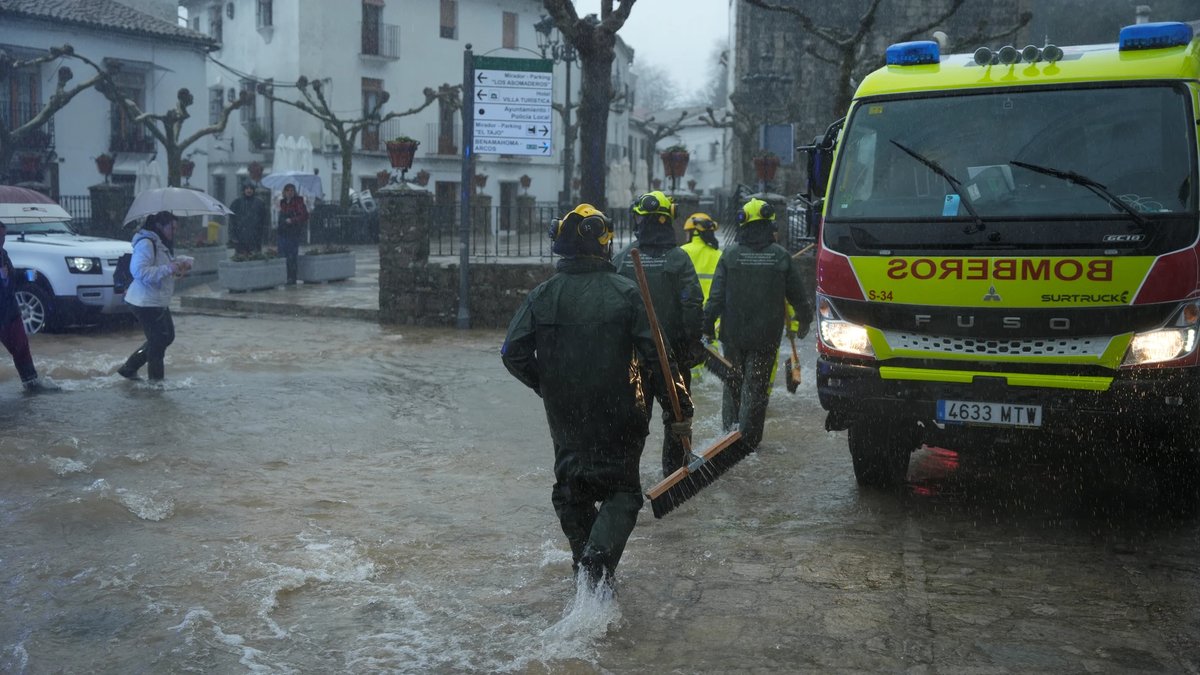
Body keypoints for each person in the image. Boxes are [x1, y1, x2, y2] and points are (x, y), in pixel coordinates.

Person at [502, 203, 693, 593]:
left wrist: (548, 386)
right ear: (604, 246)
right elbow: (658, 356)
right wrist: (680, 408)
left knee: (572, 490)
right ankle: (596, 563)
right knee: (622, 491)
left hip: (566, 418)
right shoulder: (626, 293)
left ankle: (586, 570)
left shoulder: (543, 295)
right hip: (621, 414)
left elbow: (512, 353)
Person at [703, 198, 813, 449]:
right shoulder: (781, 257)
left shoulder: (729, 255)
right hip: (766, 337)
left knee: (733, 382)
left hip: (733, 335)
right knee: (757, 389)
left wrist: (707, 325)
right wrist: (804, 321)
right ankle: (749, 444)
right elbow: (800, 299)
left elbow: (716, 298)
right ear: (769, 225)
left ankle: (728, 439)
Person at [613, 191, 704, 477]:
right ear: (669, 219)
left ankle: (626, 480)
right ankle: (673, 476)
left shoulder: (623, 259)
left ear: (639, 220)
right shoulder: (679, 259)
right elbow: (692, 304)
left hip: (631, 360)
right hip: (671, 358)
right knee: (677, 417)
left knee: (632, 420)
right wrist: (691, 344)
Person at [118, 211, 191, 382]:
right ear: (159, 226)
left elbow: (161, 267)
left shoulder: (159, 243)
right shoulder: (146, 243)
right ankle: (156, 385)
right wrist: (169, 268)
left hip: (157, 300)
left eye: (175, 228)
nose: (174, 232)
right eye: (171, 228)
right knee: (158, 341)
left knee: (166, 337)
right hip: (145, 302)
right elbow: (139, 271)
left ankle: (129, 369)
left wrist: (179, 264)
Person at [0, 219, 58, 392]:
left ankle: (31, 382)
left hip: (9, 312)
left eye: (4, 236)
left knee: (21, 348)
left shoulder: (4, 255)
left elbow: (11, 282)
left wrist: (20, 276)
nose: (2, 240)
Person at [681, 212, 723, 380]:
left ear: (693, 232)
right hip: (713, 321)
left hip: (688, 317)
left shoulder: (681, 253)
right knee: (711, 365)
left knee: (690, 364)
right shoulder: (719, 255)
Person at [276, 183, 309, 284]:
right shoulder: (283, 202)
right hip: (283, 231)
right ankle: (285, 275)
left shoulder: (298, 202)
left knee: (292, 255)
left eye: (292, 191)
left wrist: (293, 220)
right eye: (288, 191)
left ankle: (292, 277)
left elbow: (304, 215)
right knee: (283, 254)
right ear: (284, 192)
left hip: (293, 232)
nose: (290, 193)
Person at [229, 180, 269, 255]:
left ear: (253, 190)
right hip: (240, 238)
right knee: (241, 260)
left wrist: (263, 235)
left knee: (255, 260)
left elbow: (264, 220)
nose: (249, 190)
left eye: (251, 188)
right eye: (247, 188)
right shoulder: (236, 203)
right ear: (243, 190)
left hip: (255, 238)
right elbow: (232, 221)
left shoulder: (259, 203)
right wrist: (233, 236)